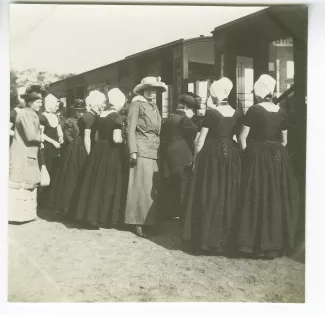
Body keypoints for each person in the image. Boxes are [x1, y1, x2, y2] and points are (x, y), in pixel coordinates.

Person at [236, 74, 299, 258]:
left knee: (257, 194)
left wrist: (248, 153)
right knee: (276, 195)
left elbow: (242, 137)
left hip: (257, 155)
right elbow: (285, 140)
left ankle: (255, 242)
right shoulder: (281, 111)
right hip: (278, 157)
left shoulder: (254, 110)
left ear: (259, 91)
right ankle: (276, 242)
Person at [183, 77, 242, 255]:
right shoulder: (237, 113)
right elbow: (238, 139)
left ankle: (207, 240)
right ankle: (225, 240)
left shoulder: (211, 113)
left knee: (210, 193)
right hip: (231, 155)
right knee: (227, 194)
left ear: (215, 94)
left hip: (211, 157)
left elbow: (200, 141)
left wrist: (195, 161)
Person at [74, 88, 127, 227]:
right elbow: (116, 139)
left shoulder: (101, 114)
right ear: (119, 102)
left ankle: (91, 216)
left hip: (98, 150)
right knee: (108, 183)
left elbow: (96, 136)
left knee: (96, 182)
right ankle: (106, 217)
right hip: (111, 151)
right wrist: (124, 139)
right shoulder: (117, 117)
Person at [48, 91, 104, 217]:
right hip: (79, 148)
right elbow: (85, 138)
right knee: (73, 178)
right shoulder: (83, 118)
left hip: (79, 147)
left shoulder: (91, 116)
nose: (80, 112)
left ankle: (71, 208)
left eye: (82, 109)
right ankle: (66, 208)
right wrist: (89, 154)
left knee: (77, 177)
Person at [125, 76, 167, 238]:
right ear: (142, 90)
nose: (151, 92)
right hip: (141, 150)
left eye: (154, 89)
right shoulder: (137, 104)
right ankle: (137, 222)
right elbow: (130, 129)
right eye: (148, 89)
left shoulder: (153, 106)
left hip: (154, 150)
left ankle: (148, 220)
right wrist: (133, 150)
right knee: (140, 187)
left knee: (150, 188)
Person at [160, 93, 199, 221]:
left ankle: (169, 211)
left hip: (169, 153)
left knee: (171, 183)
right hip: (182, 154)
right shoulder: (185, 120)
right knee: (184, 184)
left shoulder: (169, 118)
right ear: (187, 108)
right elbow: (196, 133)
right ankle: (182, 214)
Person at [9, 85, 44, 223]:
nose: (40, 104)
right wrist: (41, 137)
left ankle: (25, 215)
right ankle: (18, 216)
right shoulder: (26, 114)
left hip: (28, 153)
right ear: (30, 102)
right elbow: (30, 135)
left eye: (41, 101)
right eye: (37, 101)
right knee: (22, 184)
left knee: (26, 183)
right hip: (23, 154)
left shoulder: (29, 113)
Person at [38, 94, 63, 206]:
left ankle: (51, 198)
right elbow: (41, 134)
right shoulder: (42, 117)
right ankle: (42, 199)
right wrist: (53, 142)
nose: (57, 108)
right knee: (46, 171)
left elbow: (59, 129)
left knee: (54, 172)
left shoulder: (56, 117)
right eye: (55, 106)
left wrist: (61, 136)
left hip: (56, 148)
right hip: (47, 148)